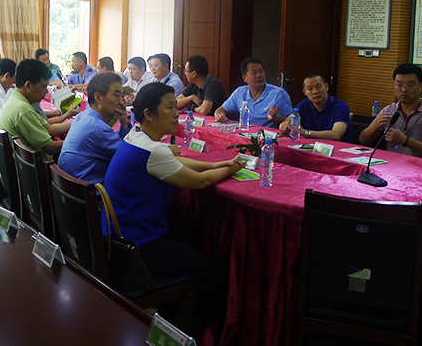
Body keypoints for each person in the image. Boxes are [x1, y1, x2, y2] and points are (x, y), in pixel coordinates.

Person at [102, 82, 244, 337]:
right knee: (213, 272)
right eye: (170, 107)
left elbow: (173, 160)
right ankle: (183, 333)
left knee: (191, 239)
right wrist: (230, 170)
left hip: (117, 237)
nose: (177, 113)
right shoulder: (153, 150)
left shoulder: (136, 137)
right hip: (138, 247)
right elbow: (200, 182)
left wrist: (216, 164)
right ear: (149, 114)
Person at [359, 63, 422, 160]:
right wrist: (375, 126)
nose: (404, 90)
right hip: (392, 164)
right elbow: (363, 140)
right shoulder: (389, 110)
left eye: (411, 85)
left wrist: (405, 141)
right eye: (399, 85)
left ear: (421, 87)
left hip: (421, 166)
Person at [58, 72, 131, 184]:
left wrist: (124, 122)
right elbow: (128, 158)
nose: (122, 102)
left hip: (71, 187)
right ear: (98, 98)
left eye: (122, 96)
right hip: (89, 191)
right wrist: (125, 124)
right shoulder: (98, 128)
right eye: (117, 96)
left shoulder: (83, 115)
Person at [0, 58, 64, 159]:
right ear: (28, 85)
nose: (46, 91)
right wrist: (76, 141)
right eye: (43, 86)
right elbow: (50, 148)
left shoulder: (16, 100)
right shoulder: (22, 109)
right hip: (34, 166)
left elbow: (46, 128)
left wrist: (75, 124)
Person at [215, 58, 292, 127]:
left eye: (261, 71)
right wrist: (220, 115)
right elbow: (221, 109)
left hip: (267, 136)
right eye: (254, 73)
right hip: (244, 133)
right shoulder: (240, 92)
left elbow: (292, 119)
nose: (259, 75)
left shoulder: (279, 94)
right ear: (244, 78)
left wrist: (275, 119)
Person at [278, 72, 351, 142]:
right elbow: (288, 120)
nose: (315, 91)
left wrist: (306, 133)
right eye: (310, 89)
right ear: (305, 92)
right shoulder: (305, 104)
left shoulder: (341, 107)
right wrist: (284, 125)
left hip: (338, 148)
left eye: (318, 87)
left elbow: (336, 134)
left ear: (326, 86)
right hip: (311, 146)